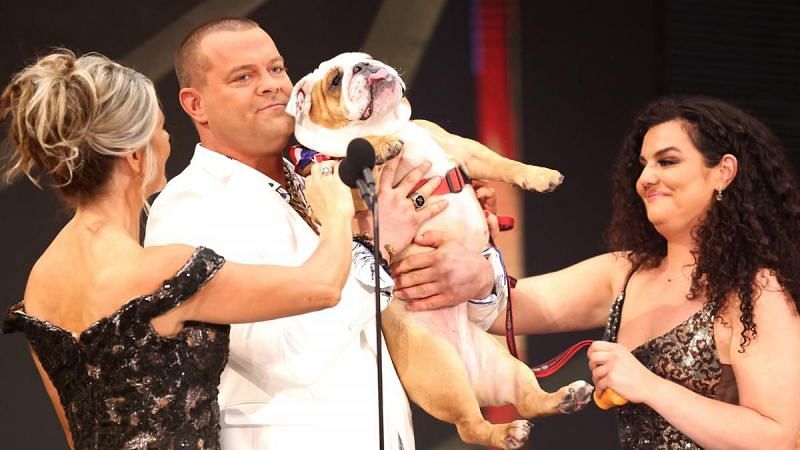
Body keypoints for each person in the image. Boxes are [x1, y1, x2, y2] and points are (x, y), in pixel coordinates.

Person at [143, 17, 504, 450]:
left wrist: (478, 274)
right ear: (195, 104)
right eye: (243, 77)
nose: (271, 85)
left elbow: (457, 320)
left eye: (276, 69)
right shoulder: (188, 207)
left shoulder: (336, 176)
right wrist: (375, 247)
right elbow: (282, 360)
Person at [0, 49, 359, 449]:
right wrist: (338, 209)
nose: (167, 140)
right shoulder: (162, 271)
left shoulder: (41, 280)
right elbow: (322, 286)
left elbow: (75, 431)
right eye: (161, 127)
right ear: (135, 155)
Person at [396, 96, 800, 449]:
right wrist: (468, 245)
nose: (646, 179)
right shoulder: (624, 272)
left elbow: (776, 437)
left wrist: (649, 387)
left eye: (668, 161)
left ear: (723, 172)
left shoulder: (756, 290)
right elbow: (508, 310)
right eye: (643, 165)